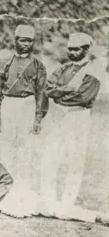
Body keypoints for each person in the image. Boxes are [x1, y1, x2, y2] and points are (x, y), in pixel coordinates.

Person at [0, 132, 109, 227]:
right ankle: (94, 216)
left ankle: (95, 216)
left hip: (8, 194)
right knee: (47, 209)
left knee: (48, 206)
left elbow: (6, 181)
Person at [41, 32, 101, 207]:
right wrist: (67, 90)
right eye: (70, 49)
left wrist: (60, 93)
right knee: (50, 156)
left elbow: (83, 97)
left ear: (86, 49)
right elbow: (48, 89)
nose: (72, 53)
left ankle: (67, 202)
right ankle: (48, 200)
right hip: (59, 116)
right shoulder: (63, 68)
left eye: (76, 49)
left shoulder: (93, 71)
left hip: (78, 116)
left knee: (75, 160)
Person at [0, 24, 48, 191]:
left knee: (25, 146)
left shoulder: (38, 65)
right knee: (6, 145)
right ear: (15, 41)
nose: (26, 44)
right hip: (8, 104)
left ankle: (22, 187)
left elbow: (42, 93)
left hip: (27, 105)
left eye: (30, 41)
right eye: (23, 40)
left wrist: (38, 117)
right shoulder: (4, 63)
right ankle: (6, 186)